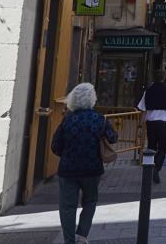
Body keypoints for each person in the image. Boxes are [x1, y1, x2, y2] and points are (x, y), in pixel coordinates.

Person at [51, 83, 117, 244]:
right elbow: (113, 138)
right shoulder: (99, 119)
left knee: (67, 206)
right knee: (90, 201)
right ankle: (82, 234)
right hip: (92, 168)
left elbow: (55, 146)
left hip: (68, 169)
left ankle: (69, 240)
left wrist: (66, 154)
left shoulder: (67, 121)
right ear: (92, 99)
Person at [138, 69, 166, 183]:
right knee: (162, 148)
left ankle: (150, 168)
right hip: (163, 123)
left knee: (151, 147)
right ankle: (156, 168)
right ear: (164, 77)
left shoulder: (148, 90)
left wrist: (140, 126)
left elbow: (143, 110)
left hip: (151, 123)